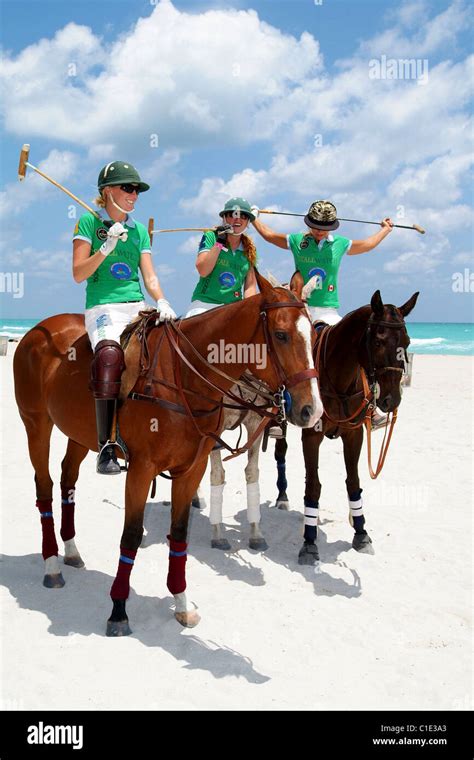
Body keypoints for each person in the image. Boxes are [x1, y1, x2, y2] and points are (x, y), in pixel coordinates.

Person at [73, 160, 177, 474]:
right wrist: (105, 247)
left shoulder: (139, 231)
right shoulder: (88, 223)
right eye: (127, 187)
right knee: (108, 355)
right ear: (107, 191)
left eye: (136, 189)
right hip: (103, 307)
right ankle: (107, 445)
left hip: (137, 304)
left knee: (174, 344)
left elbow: (149, 275)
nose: (134, 194)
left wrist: (161, 300)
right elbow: (79, 273)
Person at [251, 199, 394, 428]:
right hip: (301, 308)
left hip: (328, 311)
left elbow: (367, 245)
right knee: (285, 348)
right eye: (316, 227)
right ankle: (277, 411)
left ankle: (370, 408)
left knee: (358, 345)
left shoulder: (339, 244)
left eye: (324, 229)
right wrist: (254, 217)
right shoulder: (297, 241)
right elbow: (269, 236)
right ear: (308, 224)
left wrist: (385, 230)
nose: (319, 232)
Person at [185, 197, 258, 317]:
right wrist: (219, 242)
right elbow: (203, 270)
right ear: (224, 218)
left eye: (243, 216)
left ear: (248, 222)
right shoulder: (211, 237)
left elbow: (250, 286)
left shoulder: (249, 248)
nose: (237, 219)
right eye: (232, 215)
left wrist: (250, 310)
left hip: (233, 308)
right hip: (204, 304)